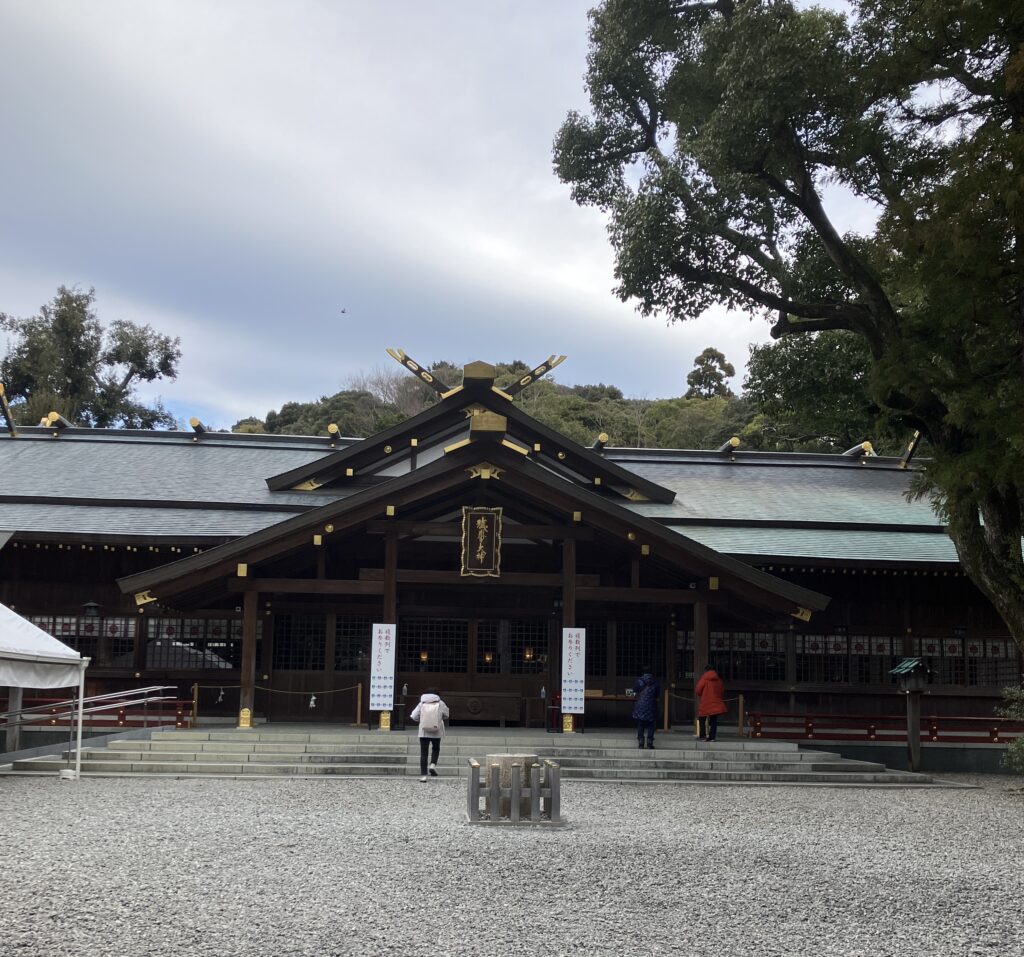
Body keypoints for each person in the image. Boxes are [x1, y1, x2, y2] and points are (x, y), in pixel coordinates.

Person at [409, 687, 449, 782]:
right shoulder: (441, 703)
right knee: (436, 748)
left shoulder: (422, 703)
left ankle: (423, 776)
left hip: (424, 731)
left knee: (424, 753)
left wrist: (421, 720)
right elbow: (446, 715)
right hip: (436, 730)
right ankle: (432, 764)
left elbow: (414, 716)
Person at [695, 664, 727, 742]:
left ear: (706, 670)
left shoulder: (704, 678)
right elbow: (722, 691)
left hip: (706, 701)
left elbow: (698, 689)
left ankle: (703, 736)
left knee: (702, 718)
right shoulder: (719, 680)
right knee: (713, 719)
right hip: (715, 702)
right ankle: (712, 737)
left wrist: (701, 695)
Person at [632, 665, 661, 749]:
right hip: (651, 704)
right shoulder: (655, 681)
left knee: (640, 723)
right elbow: (657, 694)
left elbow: (634, 690)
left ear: (643, 672)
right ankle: (649, 742)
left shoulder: (639, 681)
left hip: (640, 704)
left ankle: (641, 742)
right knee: (651, 724)